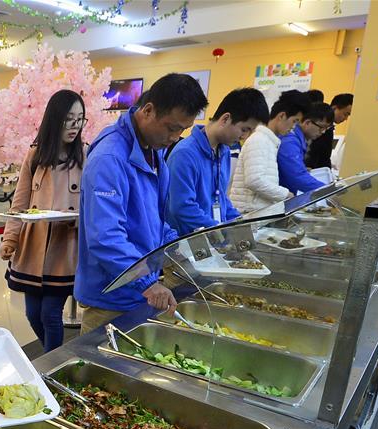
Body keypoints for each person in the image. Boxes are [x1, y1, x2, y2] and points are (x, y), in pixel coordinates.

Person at [75, 73, 208, 334]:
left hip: (137, 291)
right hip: (110, 298)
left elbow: (155, 222)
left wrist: (183, 250)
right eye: (172, 128)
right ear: (148, 111)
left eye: (183, 129)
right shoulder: (110, 158)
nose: (176, 137)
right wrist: (147, 283)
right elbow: (105, 237)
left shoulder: (153, 153)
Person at [0, 90, 85, 352]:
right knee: (32, 314)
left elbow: (93, 204)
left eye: (80, 119)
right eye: (68, 118)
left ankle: (52, 363)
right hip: (33, 247)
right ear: (54, 119)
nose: (75, 126)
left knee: (50, 313)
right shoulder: (35, 155)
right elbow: (20, 202)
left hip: (66, 247)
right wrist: (10, 239)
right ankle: (54, 355)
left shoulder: (86, 155)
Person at [165, 87, 268, 235]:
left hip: (213, 238)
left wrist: (240, 223)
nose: (245, 136)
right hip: (187, 242)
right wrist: (221, 230)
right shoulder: (185, 154)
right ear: (225, 119)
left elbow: (220, 198)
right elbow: (182, 207)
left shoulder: (224, 151)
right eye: (244, 129)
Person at [229, 89, 309, 213]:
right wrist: (286, 194)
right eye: (294, 121)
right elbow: (254, 181)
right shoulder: (259, 140)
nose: (293, 127)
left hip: (256, 213)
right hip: (249, 214)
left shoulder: (270, 141)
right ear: (282, 116)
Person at [277, 102, 335, 195]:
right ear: (307, 122)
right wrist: (328, 190)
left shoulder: (299, 140)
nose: (323, 132)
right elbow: (297, 176)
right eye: (321, 127)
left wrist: (302, 168)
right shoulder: (290, 142)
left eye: (326, 129)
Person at [306, 93, 353, 170]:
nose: (346, 118)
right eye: (345, 114)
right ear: (334, 108)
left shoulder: (329, 129)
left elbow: (324, 157)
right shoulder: (317, 127)